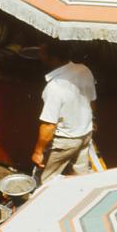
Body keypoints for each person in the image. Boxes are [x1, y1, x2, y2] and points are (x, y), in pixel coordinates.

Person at [32, 40, 97, 183]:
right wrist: (92, 121)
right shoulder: (84, 70)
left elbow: (49, 126)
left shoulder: (54, 87)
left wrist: (38, 151)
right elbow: (92, 101)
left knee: (45, 181)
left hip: (65, 141)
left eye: (42, 53)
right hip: (85, 134)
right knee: (80, 178)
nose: (39, 55)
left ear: (53, 58)